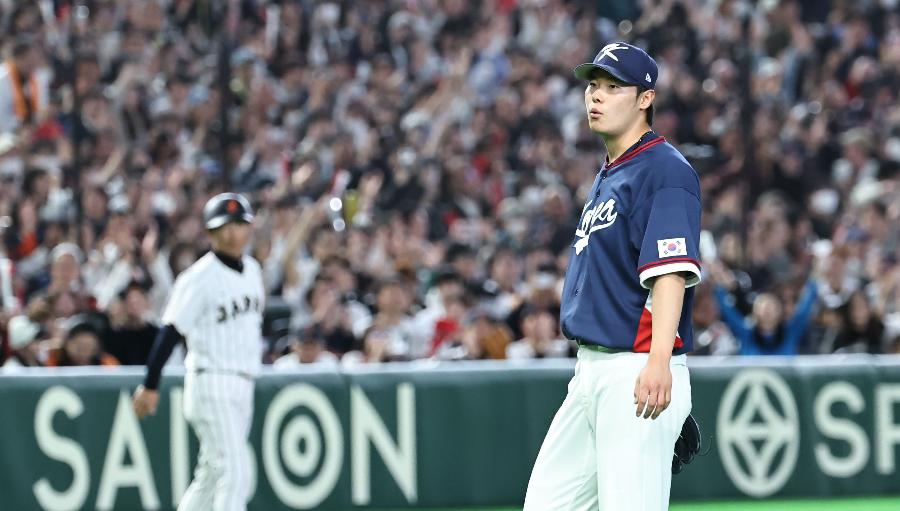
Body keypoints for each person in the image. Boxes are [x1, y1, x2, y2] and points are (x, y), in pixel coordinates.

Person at [524, 42, 701, 510]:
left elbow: (669, 274)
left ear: (645, 99)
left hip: (635, 368)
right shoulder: (611, 173)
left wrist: (660, 361)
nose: (596, 96)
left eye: (613, 87)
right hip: (590, 371)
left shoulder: (664, 169)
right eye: (593, 86)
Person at [132, 193, 266, 511]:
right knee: (235, 472)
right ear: (210, 233)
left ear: (249, 228)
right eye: (225, 227)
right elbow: (170, 332)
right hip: (211, 381)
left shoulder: (253, 270)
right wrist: (151, 384)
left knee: (210, 476)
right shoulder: (198, 278)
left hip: (243, 382)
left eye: (239, 225)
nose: (233, 234)